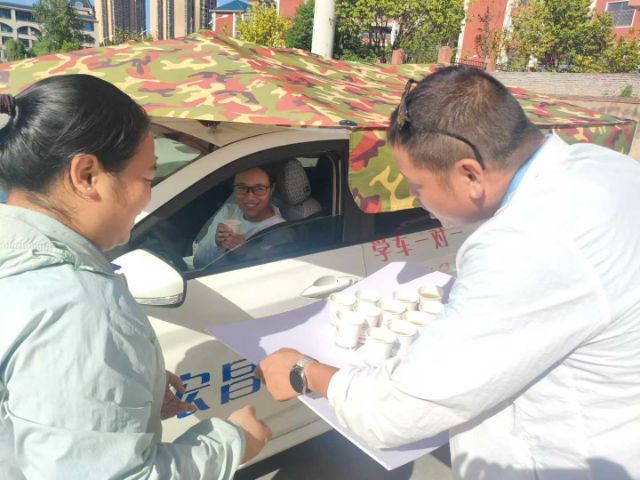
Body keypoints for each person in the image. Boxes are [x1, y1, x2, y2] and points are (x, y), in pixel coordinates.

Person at [258, 66, 640, 480]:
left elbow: (401, 411)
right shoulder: (601, 167)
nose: (415, 199)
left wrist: (306, 373)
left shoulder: (528, 243)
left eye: (417, 185)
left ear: (470, 174)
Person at [0, 74, 271, 479]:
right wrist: (234, 441)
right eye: (147, 178)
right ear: (86, 175)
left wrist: (132, 384)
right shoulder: (79, 310)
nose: (149, 195)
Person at [192, 166, 285, 268]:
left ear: (272, 189)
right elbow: (198, 262)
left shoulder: (281, 231)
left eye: (259, 189)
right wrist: (216, 243)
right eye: (241, 188)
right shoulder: (228, 211)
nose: (250, 197)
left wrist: (247, 252)